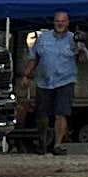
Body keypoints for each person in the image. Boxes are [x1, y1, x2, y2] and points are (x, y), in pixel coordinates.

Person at [23, 11, 81, 152]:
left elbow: (84, 59)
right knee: (42, 115)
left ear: (68, 23)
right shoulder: (43, 38)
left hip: (65, 81)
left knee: (61, 113)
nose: (60, 23)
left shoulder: (74, 39)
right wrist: (26, 76)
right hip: (44, 81)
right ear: (53, 22)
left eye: (63, 21)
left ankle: (57, 145)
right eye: (57, 21)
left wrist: (81, 49)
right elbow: (34, 58)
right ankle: (42, 143)